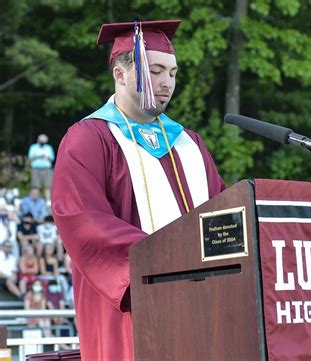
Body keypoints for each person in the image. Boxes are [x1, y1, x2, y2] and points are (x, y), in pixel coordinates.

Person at [52, 19, 226, 360]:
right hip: (132, 306)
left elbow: (223, 211)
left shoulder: (189, 143)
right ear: (120, 73)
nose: (167, 83)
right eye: (156, 71)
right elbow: (82, 221)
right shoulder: (89, 138)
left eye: (173, 73)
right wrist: (173, 255)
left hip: (204, 303)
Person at [28, 134, 55, 202]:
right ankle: (36, 201)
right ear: (38, 140)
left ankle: (48, 202)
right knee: (35, 186)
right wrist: (39, 156)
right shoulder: (33, 147)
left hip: (47, 169)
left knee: (48, 186)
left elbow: (52, 158)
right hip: (36, 169)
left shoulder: (48, 148)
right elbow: (30, 158)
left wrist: (47, 157)